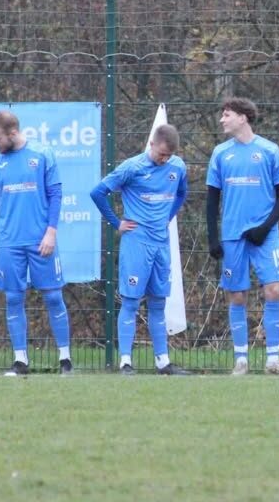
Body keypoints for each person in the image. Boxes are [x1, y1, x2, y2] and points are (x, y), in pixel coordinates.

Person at [206, 97, 279, 376]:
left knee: (274, 290)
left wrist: (264, 227)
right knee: (236, 295)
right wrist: (213, 238)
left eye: (227, 114)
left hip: (265, 235)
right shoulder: (220, 153)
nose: (222, 120)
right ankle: (241, 361)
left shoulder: (269, 150)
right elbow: (212, 199)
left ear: (243, 117)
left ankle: (273, 360)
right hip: (233, 235)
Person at [91, 124, 191, 376]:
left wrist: (167, 217)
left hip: (161, 244)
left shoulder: (177, 167)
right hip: (136, 243)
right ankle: (125, 362)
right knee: (131, 301)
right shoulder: (132, 167)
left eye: (169, 155)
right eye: (161, 154)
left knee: (158, 303)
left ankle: (163, 362)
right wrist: (117, 223)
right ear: (152, 144)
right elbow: (98, 193)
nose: (164, 159)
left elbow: (182, 193)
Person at [0, 110, 72, 377]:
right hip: (10, 241)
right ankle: (20, 360)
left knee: (53, 296)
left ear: (12, 133)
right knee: (13, 297)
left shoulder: (42, 154)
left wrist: (51, 232)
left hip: (40, 239)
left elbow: (55, 194)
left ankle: (65, 359)